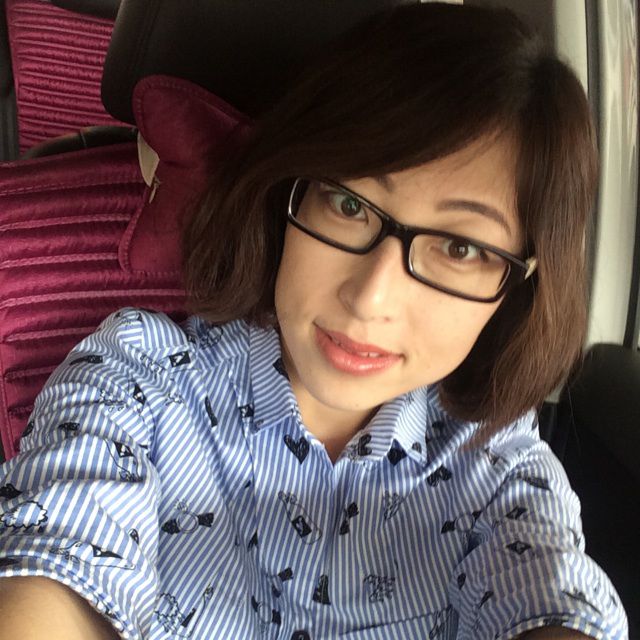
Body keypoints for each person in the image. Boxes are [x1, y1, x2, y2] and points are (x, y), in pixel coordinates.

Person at [0, 2, 629, 639]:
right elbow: (57, 567)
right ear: (289, 193)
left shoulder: (492, 462)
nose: (370, 298)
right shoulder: (139, 378)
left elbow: (549, 589)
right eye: (348, 205)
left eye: (459, 248)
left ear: (518, 288)